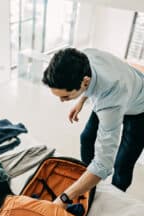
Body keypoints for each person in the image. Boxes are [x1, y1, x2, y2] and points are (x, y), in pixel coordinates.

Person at [42, 47, 144, 206]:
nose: (62, 101)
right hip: (119, 87)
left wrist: (64, 198)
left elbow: (104, 164)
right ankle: (88, 179)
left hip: (139, 107)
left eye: (66, 96)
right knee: (86, 137)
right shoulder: (84, 56)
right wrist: (80, 101)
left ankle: (115, 199)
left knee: (122, 164)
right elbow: (91, 80)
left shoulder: (110, 101)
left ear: (85, 82)